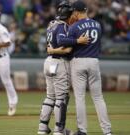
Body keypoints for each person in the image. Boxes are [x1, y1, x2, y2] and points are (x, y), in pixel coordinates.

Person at [37, 1, 89, 135]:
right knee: (61, 98)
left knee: (50, 97)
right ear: (68, 14)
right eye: (72, 13)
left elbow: (51, 46)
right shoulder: (63, 26)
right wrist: (75, 42)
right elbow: (61, 42)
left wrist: (53, 50)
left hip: (49, 62)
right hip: (59, 63)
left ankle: (42, 128)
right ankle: (59, 130)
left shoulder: (51, 24)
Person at [66, 1, 112, 135]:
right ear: (85, 10)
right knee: (98, 97)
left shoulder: (74, 27)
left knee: (80, 98)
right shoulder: (97, 24)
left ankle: (82, 130)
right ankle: (107, 131)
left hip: (79, 61)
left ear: (76, 12)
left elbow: (67, 45)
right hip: (94, 61)